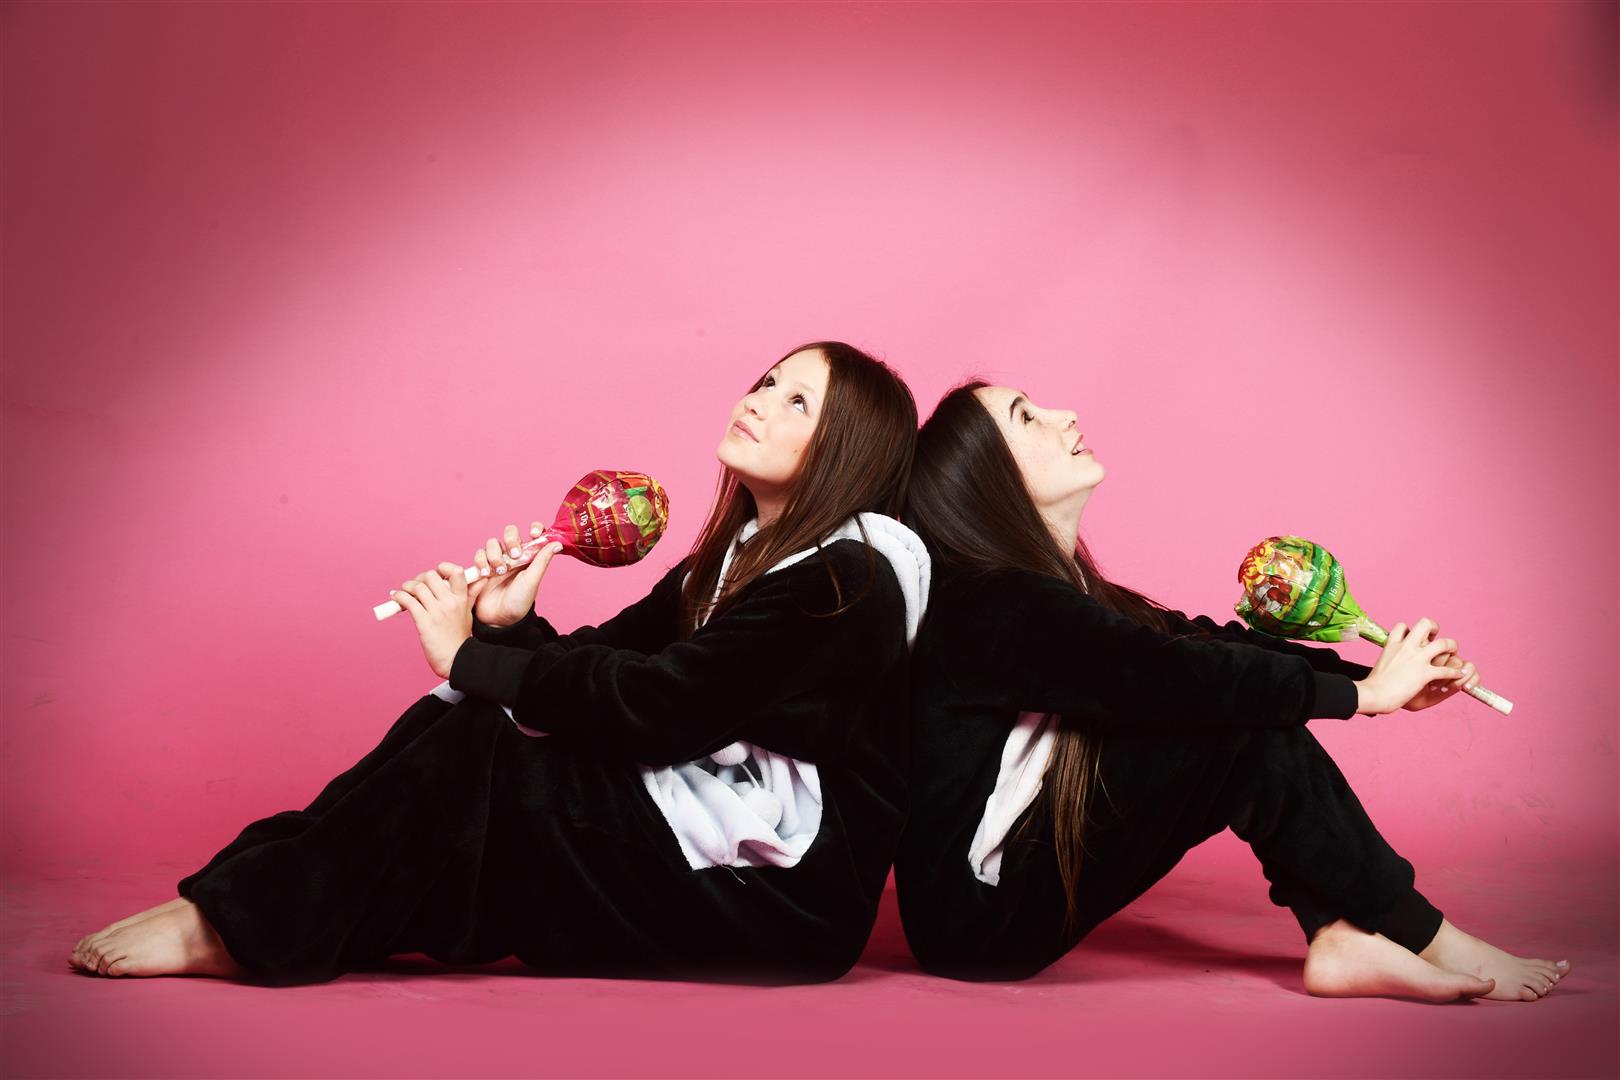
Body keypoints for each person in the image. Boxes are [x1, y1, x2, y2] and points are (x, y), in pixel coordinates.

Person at [70, 341, 929, 986]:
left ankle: (245, 924)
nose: (761, 400)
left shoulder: (847, 579)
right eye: (769, 381)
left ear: (845, 450)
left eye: (797, 402)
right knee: (459, 714)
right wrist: (507, 627)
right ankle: (239, 903)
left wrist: (472, 656)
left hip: (774, 896)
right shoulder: (740, 554)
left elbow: (662, 707)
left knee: (479, 740)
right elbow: (611, 663)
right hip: (699, 831)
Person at [893, 379, 1569, 1002]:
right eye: (1027, 418)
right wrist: (1366, 698)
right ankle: (1423, 936)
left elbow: (1204, 645)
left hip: (1008, 894)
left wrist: (1375, 679)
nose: (1063, 415)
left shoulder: (1060, 593)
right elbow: (1171, 675)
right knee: (1233, 722)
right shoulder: (988, 602)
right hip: (979, 921)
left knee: (1238, 710)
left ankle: (1340, 935)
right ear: (989, 480)